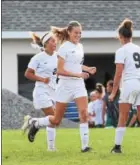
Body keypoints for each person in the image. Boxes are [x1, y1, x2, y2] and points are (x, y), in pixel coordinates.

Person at [22, 21, 97, 152]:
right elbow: (60, 71)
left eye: (80, 33)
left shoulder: (80, 46)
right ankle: (36, 122)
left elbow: (74, 63)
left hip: (77, 86)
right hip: (63, 87)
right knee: (56, 120)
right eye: (76, 32)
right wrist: (79, 75)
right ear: (69, 32)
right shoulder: (63, 48)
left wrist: (87, 68)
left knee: (84, 114)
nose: (78, 35)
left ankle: (85, 147)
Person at [109, 18, 140, 153]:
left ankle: (117, 148)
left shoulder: (121, 51)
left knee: (122, 117)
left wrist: (113, 93)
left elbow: (118, 74)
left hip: (130, 84)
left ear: (120, 36)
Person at [22, 32, 57, 151]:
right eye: (52, 41)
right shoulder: (37, 58)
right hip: (41, 91)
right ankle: (34, 122)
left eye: (55, 41)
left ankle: (50, 148)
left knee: (52, 120)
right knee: (53, 118)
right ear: (46, 44)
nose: (55, 43)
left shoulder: (58, 56)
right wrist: (42, 79)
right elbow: (27, 73)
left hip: (54, 91)